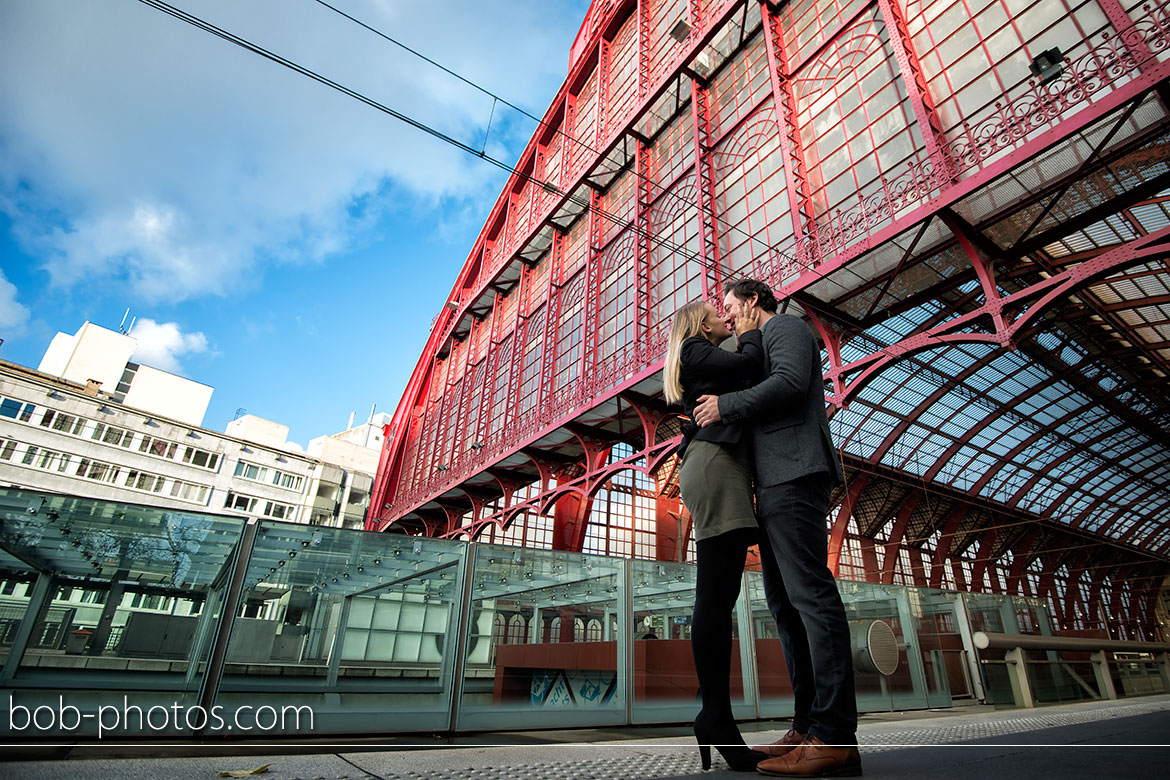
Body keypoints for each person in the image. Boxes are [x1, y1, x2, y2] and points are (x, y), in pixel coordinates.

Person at [693, 278, 859, 778]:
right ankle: (808, 725)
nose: (728, 316)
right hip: (772, 485)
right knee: (786, 608)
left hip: (793, 473)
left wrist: (727, 406)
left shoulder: (785, 325)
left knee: (811, 598)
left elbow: (788, 383)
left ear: (751, 302)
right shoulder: (756, 343)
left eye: (730, 307)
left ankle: (833, 735)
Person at [663, 299, 768, 772]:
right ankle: (715, 717)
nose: (724, 317)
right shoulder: (695, 349)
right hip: (713, 464)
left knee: (720, 595)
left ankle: (716, 717)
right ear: (701, 325)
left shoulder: (700, 355)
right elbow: (751, 362)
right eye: (717, 313)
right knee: (714, 596)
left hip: (716, 464)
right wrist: (747, 330)